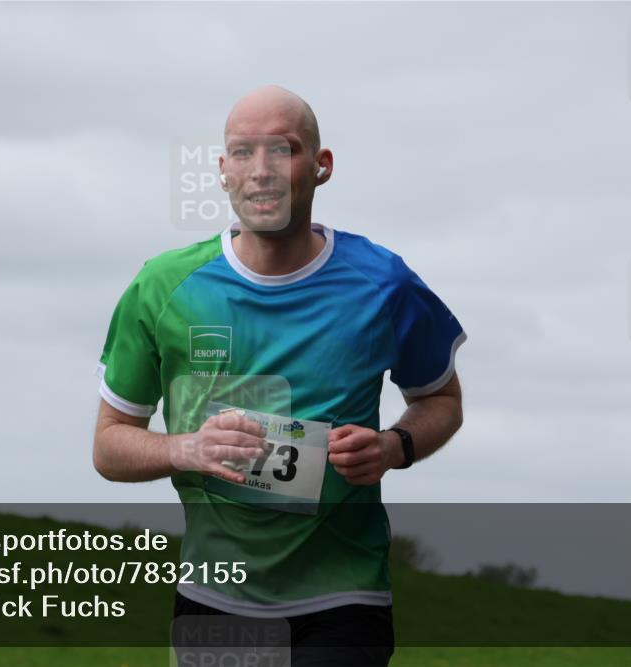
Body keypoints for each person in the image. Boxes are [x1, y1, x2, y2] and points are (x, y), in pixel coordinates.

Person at [93, 85, 466, 666]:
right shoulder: (164, 287)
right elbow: (109, 445)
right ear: (222, 170)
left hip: (343, 592)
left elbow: (441, 398)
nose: (260, 171)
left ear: (322, 167)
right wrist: (187, 448)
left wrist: (395, 447)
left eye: (282, 150)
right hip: (213, 596)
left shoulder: (382, 283)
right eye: (243, 152)